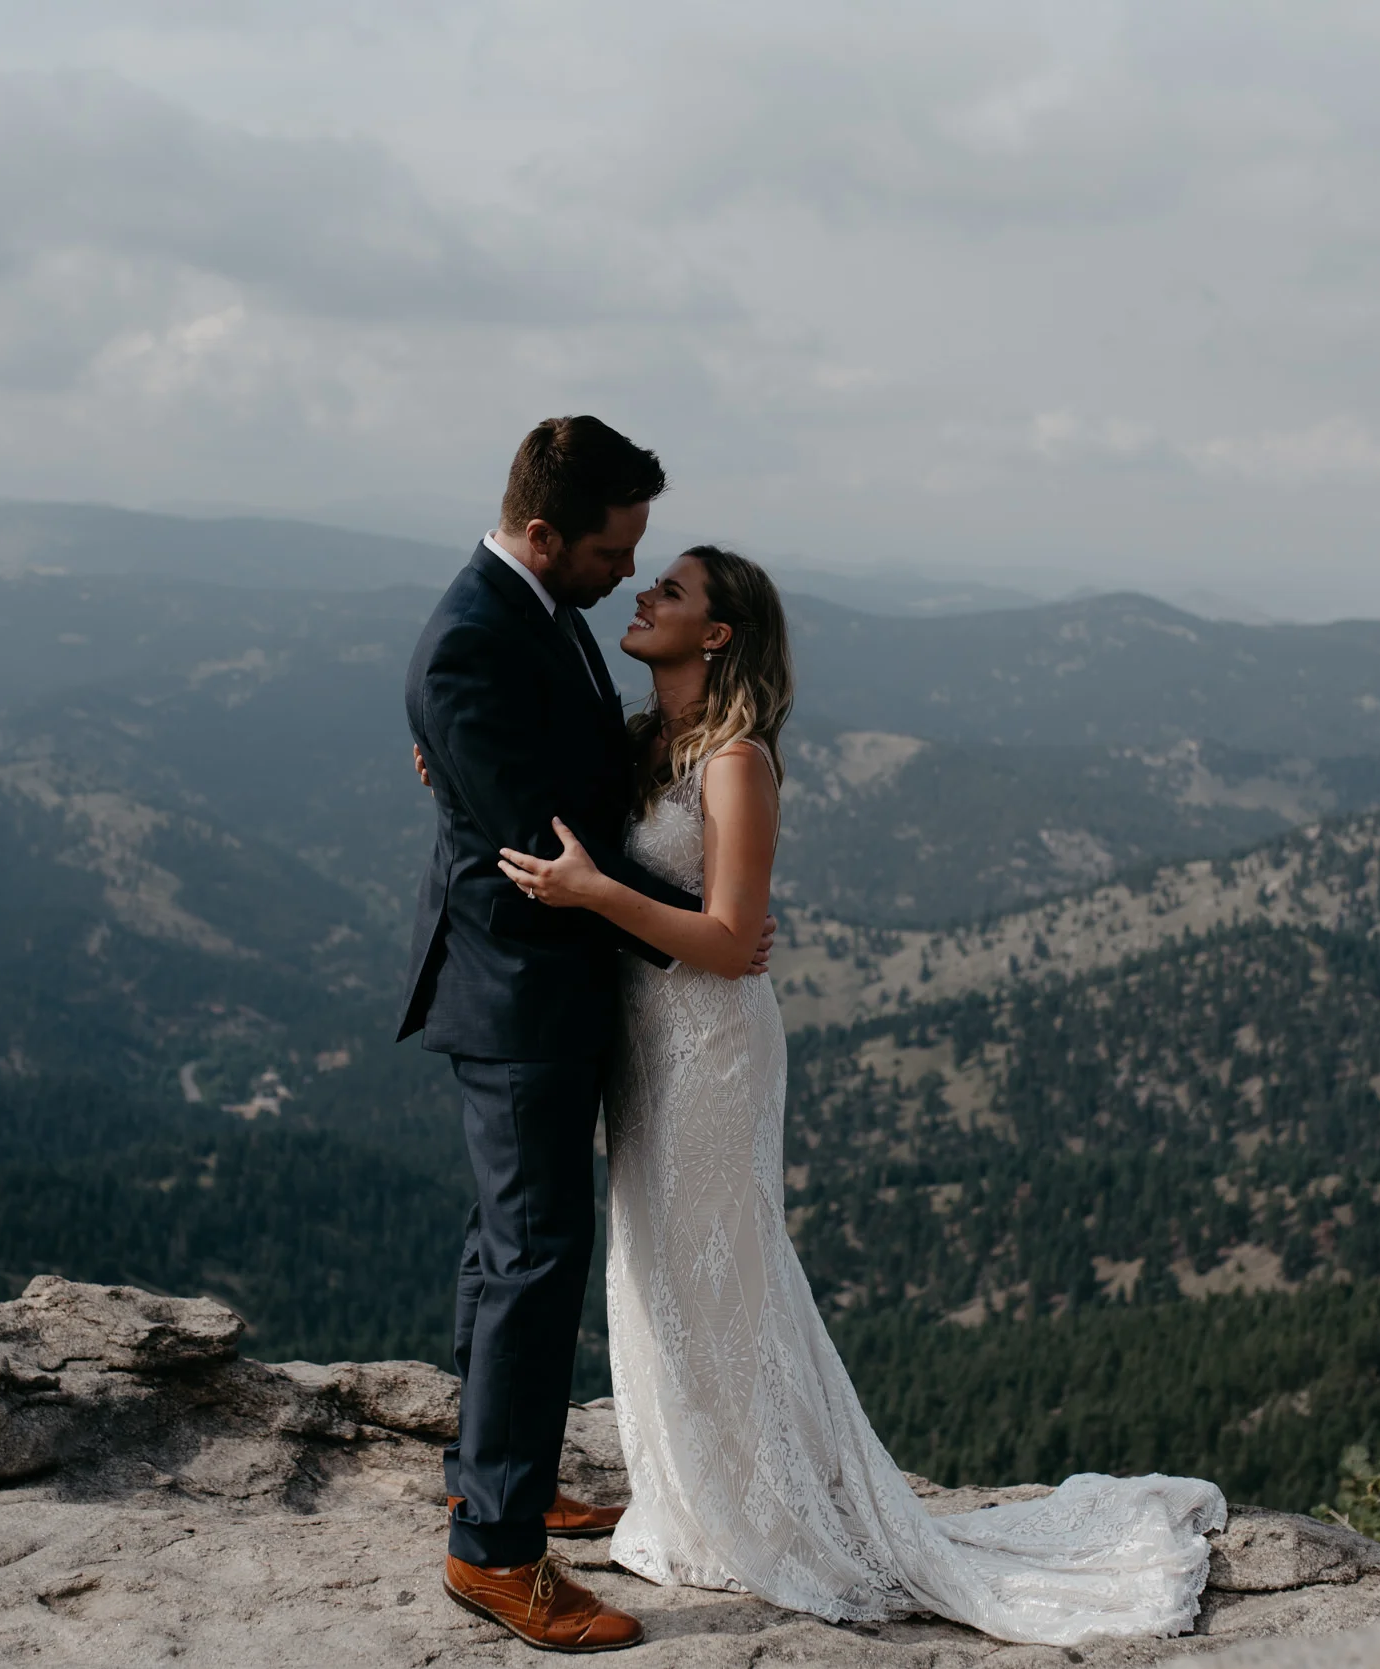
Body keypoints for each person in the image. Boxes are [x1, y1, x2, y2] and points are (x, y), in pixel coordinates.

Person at [496, 545, 1230, 1648]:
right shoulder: (646, 740)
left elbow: (734, 938)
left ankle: (766, 1513)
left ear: (717, 635)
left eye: (672, 592)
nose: (641, 593)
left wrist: (596, 894)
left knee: (716, 1269)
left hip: (708, 1052)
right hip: (644, 1044)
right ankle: (697, 1498)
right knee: (653, 1266)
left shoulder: (735, 761)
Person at [398, 416, 771, 1653]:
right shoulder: (470, 639)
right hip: (518, 991)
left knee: (506, 1242)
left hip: (552, 988)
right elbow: (535, 843)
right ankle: (494, 1556)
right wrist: (692, 924)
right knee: (535, 1257)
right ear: (547, 533)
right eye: (616, 552)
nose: (627, 574)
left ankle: (487, 1474)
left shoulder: (535, 610)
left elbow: (554, 778)